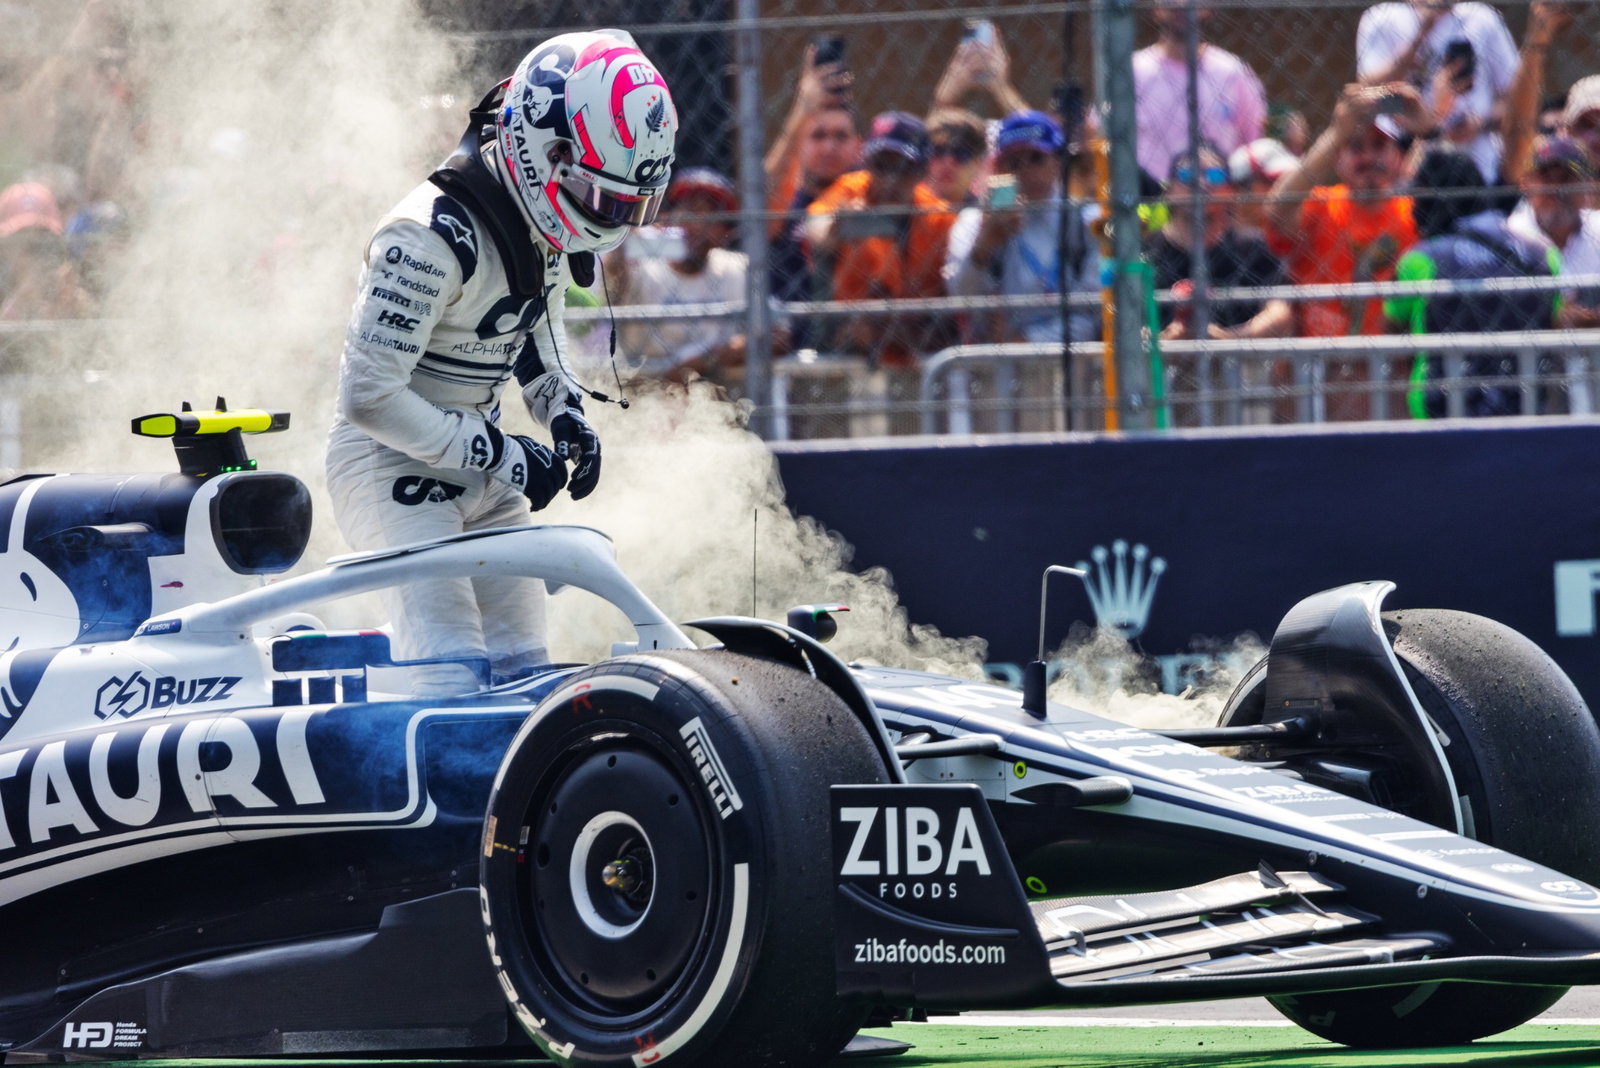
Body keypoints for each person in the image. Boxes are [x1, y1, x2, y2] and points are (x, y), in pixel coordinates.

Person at [326, 29, 677, 695]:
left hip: (478, 461)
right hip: (388, 462)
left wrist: (565, 411)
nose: (613, 221)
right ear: (547, 152)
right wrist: (504, 454)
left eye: (632, 206)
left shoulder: (536, 210)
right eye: (606, 200)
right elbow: (368, 396)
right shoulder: (424, 236)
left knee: (526, 671)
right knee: (451, 672)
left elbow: (537, 324)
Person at [1267, 82, 1425, 420]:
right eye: (1356, 147)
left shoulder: (1416, 213)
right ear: (1338, 159)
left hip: (1393, 371)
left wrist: (1427, 128)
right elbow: (1277, 213)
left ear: (1399, 157)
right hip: (1322, 372)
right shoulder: (1321, 206)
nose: (1368, 158)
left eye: (1379, 146)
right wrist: (1337, 132)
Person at [1385, 147, 1560, 419]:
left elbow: (1392, 324)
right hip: (1525, 410)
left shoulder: (1420, 259)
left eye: (1418, 196)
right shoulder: (1542, 254)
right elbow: (1557, 317)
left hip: (1438, 412)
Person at [1145, 146, 1293, 424]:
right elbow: (1120, 321)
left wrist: (1230, 340)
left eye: (1214, 176)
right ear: (1170, 191)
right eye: (1187, 175)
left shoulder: (1254, 248)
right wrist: (1159, 344)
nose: (1201, 184)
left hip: (1240, 390)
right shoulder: (1145, 254)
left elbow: (1281, 312)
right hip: (1159, 394)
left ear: (1229, 191)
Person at [607, 168, 786, 387]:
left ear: (726, 232)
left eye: (711, 217)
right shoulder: (641, 264)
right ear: (667, 219)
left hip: (714, 389)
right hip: (643, 390)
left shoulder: (735, 268)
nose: (698, 225)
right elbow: (614, 272)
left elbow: (779, 334)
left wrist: (707, 359)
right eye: (689, 212)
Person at [805, 111, 956, 369]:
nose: (890, 180)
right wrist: (839, 225)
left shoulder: (939, 217)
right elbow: (816, 231)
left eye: (903, 168)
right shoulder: (851, 190)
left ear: (922, 170)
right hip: (849, 336)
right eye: (881, 166)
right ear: (867, 163)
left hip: (920, 339)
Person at [944, 109, 1098, 347]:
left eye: (1036, 158)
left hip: (1069, 355)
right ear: (999, 168)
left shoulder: (1086, 220)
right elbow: (961, 298)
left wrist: (1024, 343)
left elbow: (1092, 313)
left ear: (1058, 162)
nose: (1025, 169)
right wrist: (984, 246)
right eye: (1013, 161)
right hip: (994, 358)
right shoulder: (973, 221)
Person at [1356, 0, 1518, 183]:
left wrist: (1481, 122)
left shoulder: (1480, 17)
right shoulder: (1383, 17)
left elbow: (1518, 101)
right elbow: (1367, 96)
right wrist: (1421, 35)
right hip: (1405, 168)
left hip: (1478, 169)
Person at [765, 43, 862, 345]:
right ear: (800, 145)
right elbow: (759, 199)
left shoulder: (867, 194)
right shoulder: (787, 203)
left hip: (854, 348)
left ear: (859, 145)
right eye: (818, 136)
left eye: (841, 136)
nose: (829, 147)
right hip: (789, 349)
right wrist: (802, 110)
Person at [1507, 136, 1600, 410]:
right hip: (1531, 366)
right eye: (1547, 178)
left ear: (1587, 186)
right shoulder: (1510, 236)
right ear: (1526, 184)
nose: (1557, 189)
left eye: (1567, 178)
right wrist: (1558, 318)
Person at [1132, 0, 1267, 186]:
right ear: (1155, 8)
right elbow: (1103, 139)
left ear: (1208, 7)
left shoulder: (1233, 72)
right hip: (1149, 198)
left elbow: (1254, 143)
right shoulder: (1132, 72)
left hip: (1217, 194)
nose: (1181, 4)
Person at [1227, 138, 1299, 240]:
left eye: (1288, 179)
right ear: (1242, 191)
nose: (1285, 188)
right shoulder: (1215, 241)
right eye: (1273, 182)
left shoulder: (1297, 234)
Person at [924, 108, 989, 208]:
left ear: (978, 163)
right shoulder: (904, 208)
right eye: (938, 151)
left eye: (960, 153)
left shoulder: (983, 215)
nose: (948, 162)